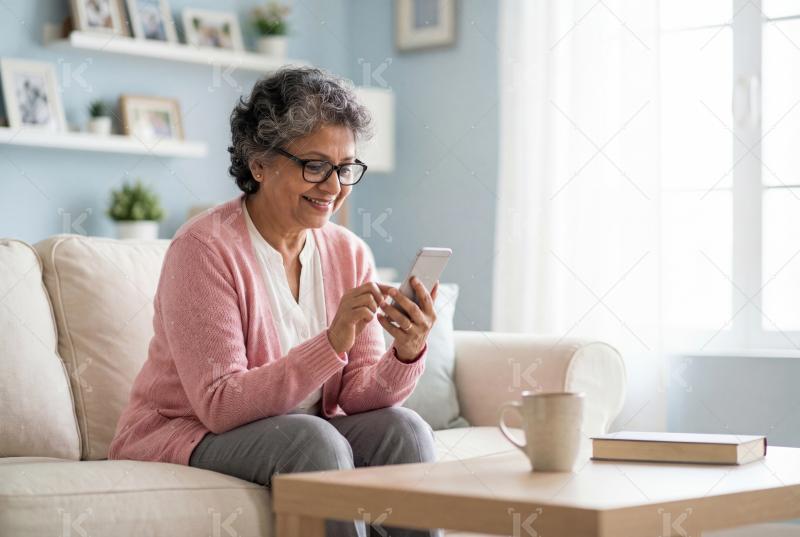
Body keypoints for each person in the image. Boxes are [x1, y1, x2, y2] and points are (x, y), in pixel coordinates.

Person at [109, 66, 442, 537]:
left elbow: (357, 395)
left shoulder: (348, 253)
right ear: (259, 163)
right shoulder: (204, 249)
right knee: (313, 441)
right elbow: (219, 403)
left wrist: (407, 351)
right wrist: (331, 342)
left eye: (345, 168)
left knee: (403, 430)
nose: (334, 186)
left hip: (300, 430)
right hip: (191, 430)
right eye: (315, 165)